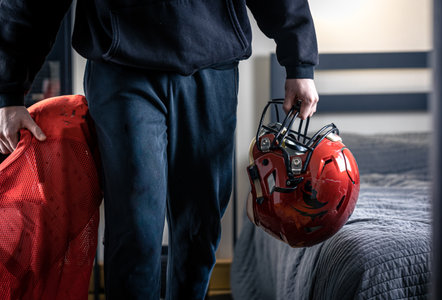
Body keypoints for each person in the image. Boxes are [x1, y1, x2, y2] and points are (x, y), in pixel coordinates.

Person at [0, 0, 319, 299]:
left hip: (212, 65)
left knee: (199, 230)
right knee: (136, 233)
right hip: (122, 66)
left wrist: (299, 62)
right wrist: (8, 90)